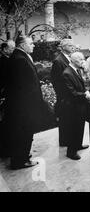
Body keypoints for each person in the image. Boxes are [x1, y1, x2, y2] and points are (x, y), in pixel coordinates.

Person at [6, 36, 44, 169]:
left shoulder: (20, 56)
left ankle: (22, 157)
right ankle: (20, 160)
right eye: (31, 43)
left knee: (23, 132)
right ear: (22, 45)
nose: (33, 45)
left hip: (22, 105)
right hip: (24, 106)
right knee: (24, 132)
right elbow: (24, 87)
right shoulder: (20, 59)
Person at [62, 52, 90, 160]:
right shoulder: (67, 73)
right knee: (74, 128)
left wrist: (85, 90)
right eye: (81, 60)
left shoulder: (77, 70)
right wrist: (85, 94)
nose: (83, 62)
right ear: (74, 61)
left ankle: (78, 144)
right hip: (73, 106)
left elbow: (81, 85)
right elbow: (71, 93)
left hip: (80, 104)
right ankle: (71, 151)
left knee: (80, 126)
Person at [51, 38, 75, 147]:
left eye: (72, 45)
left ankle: (72, 141)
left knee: (71, 120)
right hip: (65, 96)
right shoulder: (58, 61)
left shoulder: (69, 58)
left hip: (71, 95)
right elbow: (56, 80)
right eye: (70, 45)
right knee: (65, 120)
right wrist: (62, 96)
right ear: (63, 47)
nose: (72, 47)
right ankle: (65, 142)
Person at [0, 40, 15, 158]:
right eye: (12, 48)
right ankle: (6, 150)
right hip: (5, 96)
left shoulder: (6, 59)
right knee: (6, 124)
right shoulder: (3, 61)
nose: (13, 50)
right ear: (5, 49)